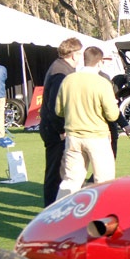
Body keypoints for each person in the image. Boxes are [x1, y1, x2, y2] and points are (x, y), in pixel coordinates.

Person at [53, 46, 120, 198]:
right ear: (100, 62)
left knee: (71, 181)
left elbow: (58, 110)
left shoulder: (68, 80)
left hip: (73, 137)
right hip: (97, 137)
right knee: (104, 181)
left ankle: (61, 216)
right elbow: (112, 115)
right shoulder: (102, 83)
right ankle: (101, 216)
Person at [40, 37, 83, 206]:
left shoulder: (59, 67)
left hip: (53, 127)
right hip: (55, 129)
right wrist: (61, 130)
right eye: (79, 54)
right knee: (55, 173)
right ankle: (51, 209)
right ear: (73, 54)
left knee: (59, 171)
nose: (80, 58)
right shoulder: (61, 72)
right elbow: (54, 106)